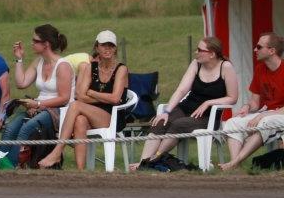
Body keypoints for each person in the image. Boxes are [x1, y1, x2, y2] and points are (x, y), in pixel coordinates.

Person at [129, 36, 238, 170]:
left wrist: (208, 103)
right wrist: (166, 112)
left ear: (212, 54)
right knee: (160, 122)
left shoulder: (225, 67)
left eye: (200, 50)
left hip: (207, 117)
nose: (196, 53)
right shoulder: (196, 64)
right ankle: (143, 162)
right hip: (186, 108)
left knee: (178, 124)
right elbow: (181, 90)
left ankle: (151, 161)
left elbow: (233, 97)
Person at [38, 30, 130, 170]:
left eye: (111, 46)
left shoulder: (121, 69)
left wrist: (92, 92)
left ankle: (57, 151)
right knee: (80, 121)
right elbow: (80, 94)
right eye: (104, 45)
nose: (107, 49)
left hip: (113, 116)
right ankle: (81, 172)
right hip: (92, 113)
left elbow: (115, 98)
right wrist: (102, 97)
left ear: (115, 48)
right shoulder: (89, 67)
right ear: (97, 47)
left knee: (75, 106)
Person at [0, 24, 74, 167]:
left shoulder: (62, 66)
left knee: (26, 128)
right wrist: (19, 59)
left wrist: (39, 105)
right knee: (10, 128)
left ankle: (14, 167)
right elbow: (21, 83)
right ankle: (1, 165)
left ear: (46, 44)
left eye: (35, 41)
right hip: (39, 107)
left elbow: (64, 98)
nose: (32, 44)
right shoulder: (39, 61)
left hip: (59, 111)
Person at [219, 32, 284, 170]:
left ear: (272, 51)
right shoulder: (260, 69)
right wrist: (247, 107)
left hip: (278, 115)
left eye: (259, 47)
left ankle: (234, 163)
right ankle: (237, 168)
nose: (255, 50)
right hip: (268, 113)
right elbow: (255, 102)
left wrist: (262, 115)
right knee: (232, 122)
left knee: (265, 122)